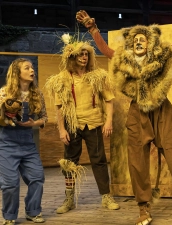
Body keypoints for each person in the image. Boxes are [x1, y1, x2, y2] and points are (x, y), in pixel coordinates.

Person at [76, 0, 172, 224]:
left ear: (150, 43)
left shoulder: (161, 56)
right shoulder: (125, 60)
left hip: (162, 110)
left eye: (143, 39)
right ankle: (143, 207)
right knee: (137, 161)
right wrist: (92, 28)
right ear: (131, 45)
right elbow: (105, 51)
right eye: (135, 40)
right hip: (138, 113)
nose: (139, 42)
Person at [44, 33, 120, 214]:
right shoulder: (62, 79)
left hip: (93, 123)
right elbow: (59, 107)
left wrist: (108, 121)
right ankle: (69, 198)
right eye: (80, 55)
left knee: (99, 160)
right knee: (69, 162)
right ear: (72, 57)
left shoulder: (97, 76)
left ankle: (106, 197)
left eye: (86, 54)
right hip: (73, 125)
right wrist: (62, 129)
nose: (84, 58)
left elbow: (109, 100)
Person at [0, 58, 48, 225]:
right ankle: (9, 216)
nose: (32, 70)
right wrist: (7, 114)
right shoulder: (5, 92)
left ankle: (33, 211)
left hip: (26, 143)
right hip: (5, 143)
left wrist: (33, 123)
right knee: (10, 183)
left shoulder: (36, 94)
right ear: (17, 73)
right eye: (27, 68)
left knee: (37, 177)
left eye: (32, 68)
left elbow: (44, 118)